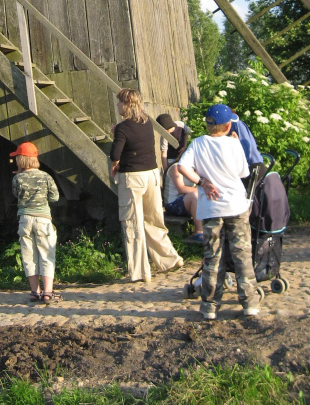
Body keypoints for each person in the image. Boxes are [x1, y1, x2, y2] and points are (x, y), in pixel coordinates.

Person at [177, 103, 260, 320]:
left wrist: (202, 182)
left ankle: (210, 308)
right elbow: (243, 172)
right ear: (228, 124)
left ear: (207, 124)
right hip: (236, 205)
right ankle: (250, 304)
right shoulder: (234, 145)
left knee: (213, 257)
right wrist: (234, 145)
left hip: (211, 208)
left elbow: (182, 167)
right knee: (242, 255)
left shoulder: (197, 143)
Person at [110, 88, 184, 283]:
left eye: (120, 102)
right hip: (151, 174)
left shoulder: (122, 127)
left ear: (127, 104)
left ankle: (140, 271)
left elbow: (115, 155)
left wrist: (115, 140)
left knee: (132, 224)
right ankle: (170, 259)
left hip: (132, 178)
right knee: (154, 220)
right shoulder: (147, 122)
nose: (118, 105)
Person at [10, 142, 60, 303]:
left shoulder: (17, 178)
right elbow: (55, 197)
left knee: (28, 255)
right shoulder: (46, 176)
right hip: (43, 219)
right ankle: (47, 292)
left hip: (25, 219)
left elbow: (16, 195)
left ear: (21, 160)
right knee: (46, 254)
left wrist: (19, 173)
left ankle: (34, 291)